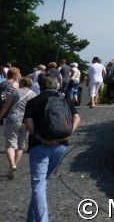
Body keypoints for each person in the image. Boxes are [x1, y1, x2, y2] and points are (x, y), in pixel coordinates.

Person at [23, 73, 80, 222]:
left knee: (39, 185)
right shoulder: (65, 100)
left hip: (39, 146)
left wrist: (42, 138)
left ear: (40, 85)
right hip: (61, 147)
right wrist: (66, 136)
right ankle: (31, 219)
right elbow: (77, 118)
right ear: (56, 84)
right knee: (41, 184)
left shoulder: (33, 102)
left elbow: (28, 125)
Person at [1, 76, 35, 179]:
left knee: (11, 144)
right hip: (26, 120)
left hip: (13, 119)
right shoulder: (33, 94)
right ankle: (14, 164)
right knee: (21, 146)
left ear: (21, 83)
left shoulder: (15, 92)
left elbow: (6, 107)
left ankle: (12, 164)